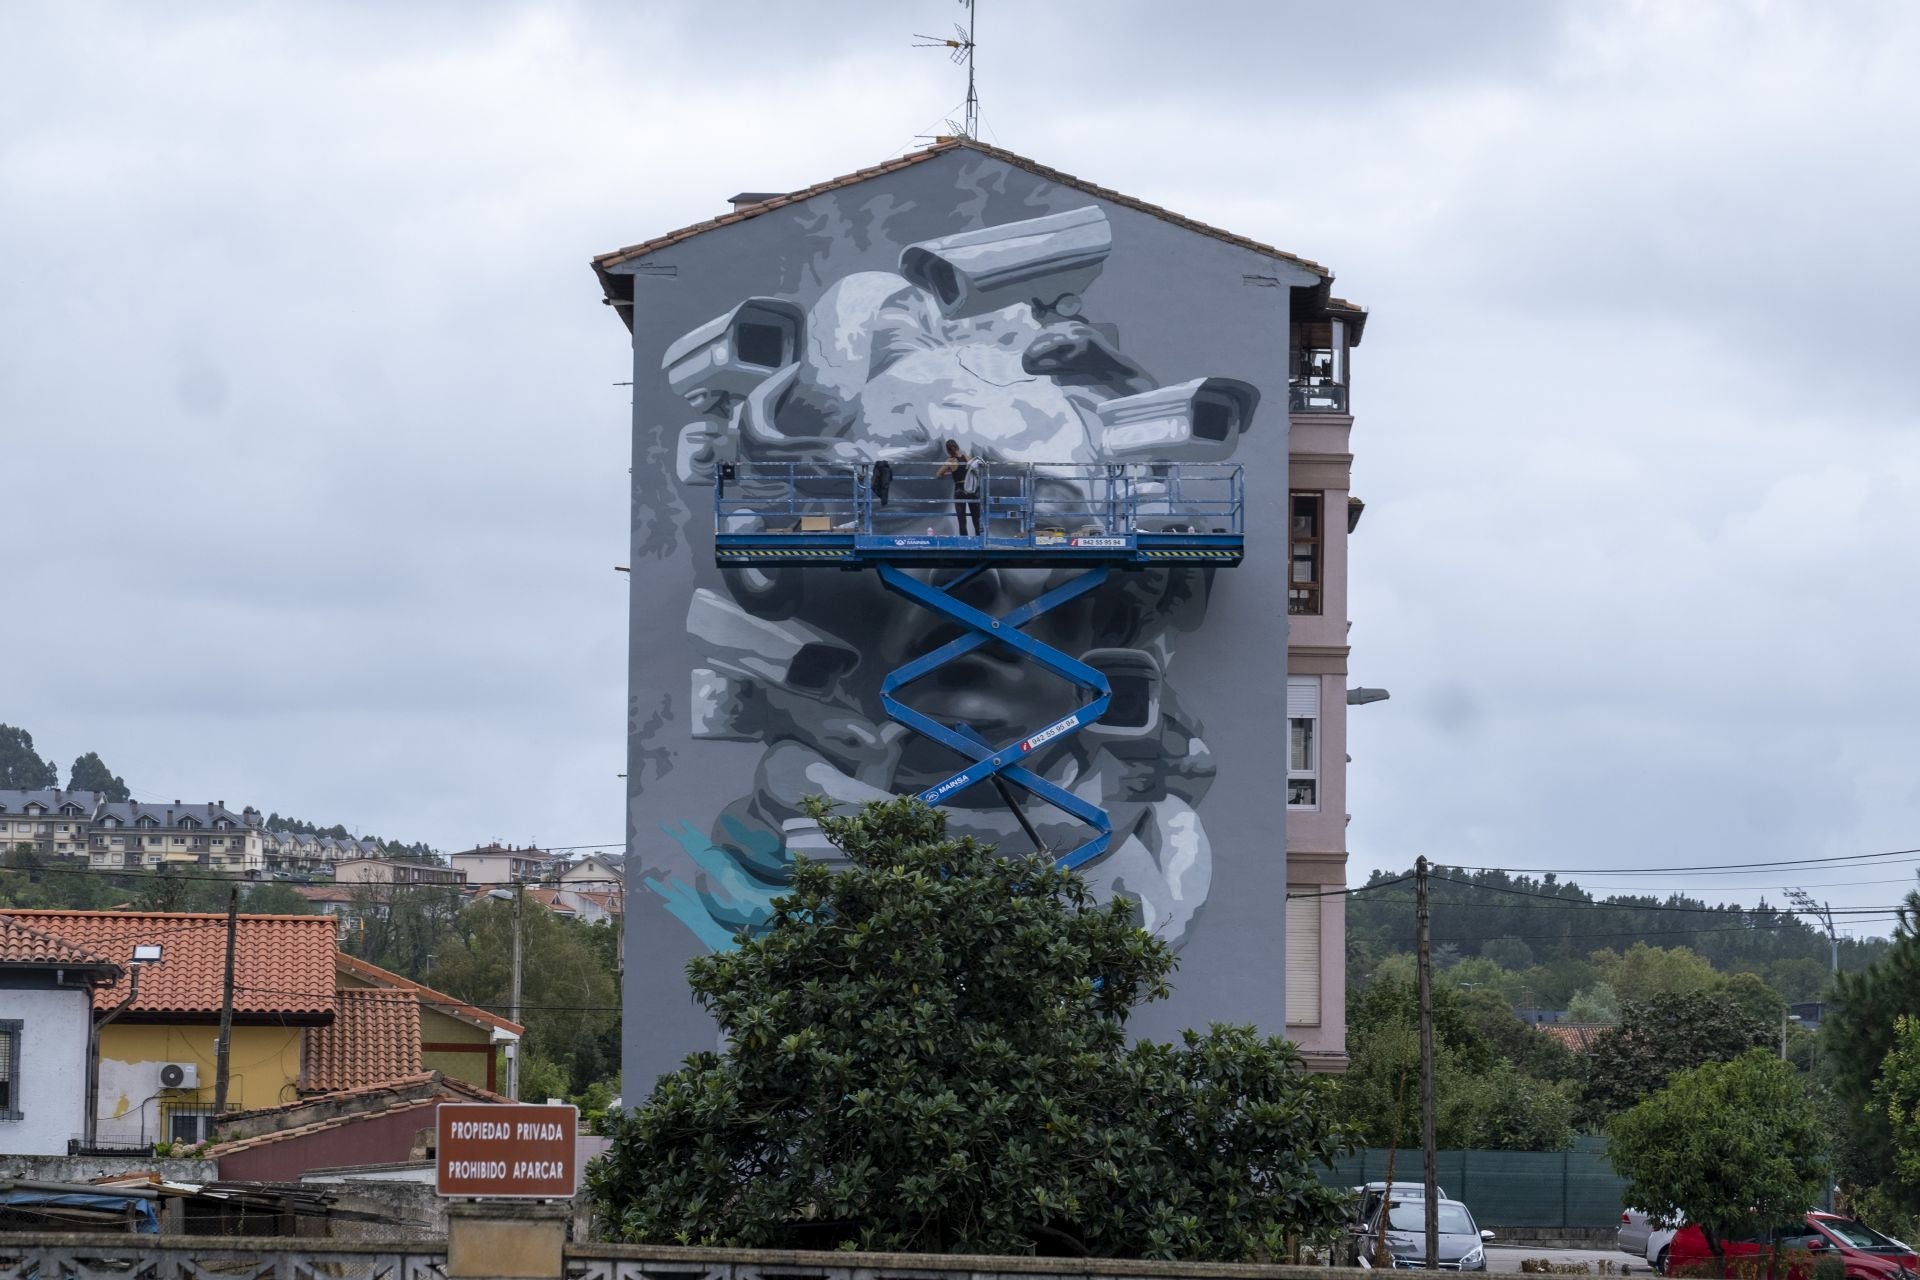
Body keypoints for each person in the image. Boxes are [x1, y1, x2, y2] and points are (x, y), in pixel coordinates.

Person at [937, 437, 982, 536]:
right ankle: (979, 540)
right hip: (970, 489)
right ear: (957, 447)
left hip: (959, 490)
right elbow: (974, 471)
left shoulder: (950, 461)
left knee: (962, 520)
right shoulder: (967, 458)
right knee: (976, 518)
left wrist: (950, 472)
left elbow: (939, 474)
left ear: (948, 450)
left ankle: (964, 541)